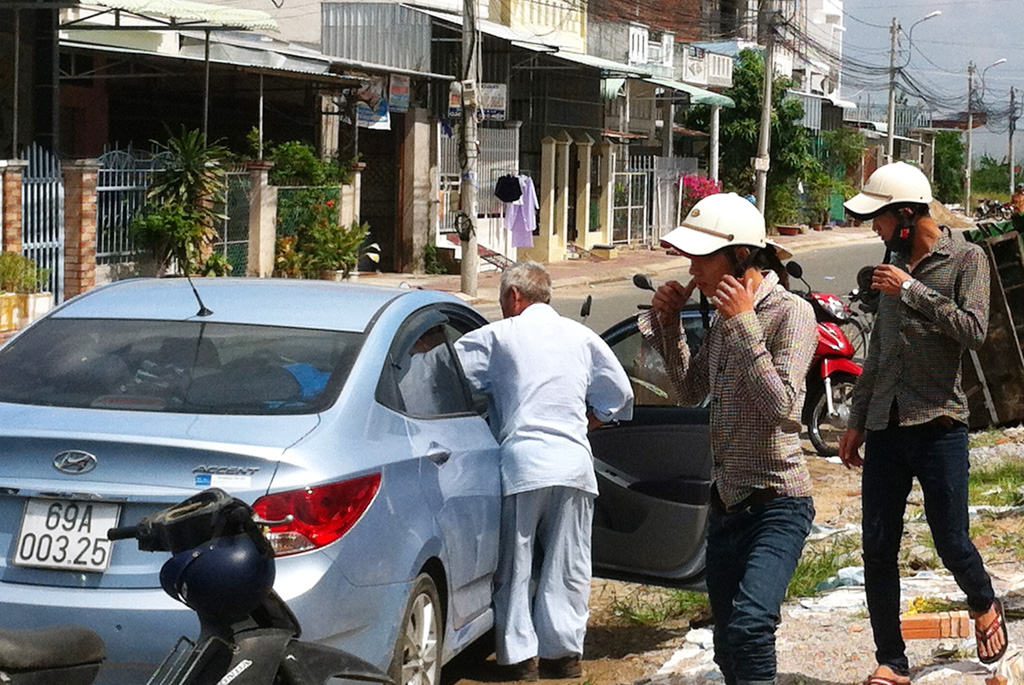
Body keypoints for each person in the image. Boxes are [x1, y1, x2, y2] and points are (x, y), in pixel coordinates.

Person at [838, 162, 1005, 685]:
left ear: (906, 215)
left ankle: (983, 602)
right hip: (887, 425)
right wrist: (856, 420)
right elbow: (881, 352)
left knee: (950, 539)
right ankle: (891, 660)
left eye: (880, 219)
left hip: (939, 422)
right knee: (878, 544)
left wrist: (911, 290)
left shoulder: (966, 258)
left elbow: (974, 330)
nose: (874, 230)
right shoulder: (890, 266)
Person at [639, 193, 817, 685]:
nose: (693, 269)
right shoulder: (719, 317)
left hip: (778, 502)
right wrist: (668, 325)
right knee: (725, 643)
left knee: (751, 626)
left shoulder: (790, 315)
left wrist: (743, 323)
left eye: (702, 257)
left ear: (740, 256)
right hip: (726, 505)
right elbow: (690, 388)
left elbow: (782, 408)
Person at [454, 261, 634, 681]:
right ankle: (564, 655)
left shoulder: (500, 336)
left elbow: (447, 371)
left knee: (515, 566)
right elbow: (620, 394)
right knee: (568, 564)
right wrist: (588, 421)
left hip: (524, 465)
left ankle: (520, 659)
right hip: (572, 463)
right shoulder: (582, 338)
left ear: (514, 297)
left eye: (502, 300)